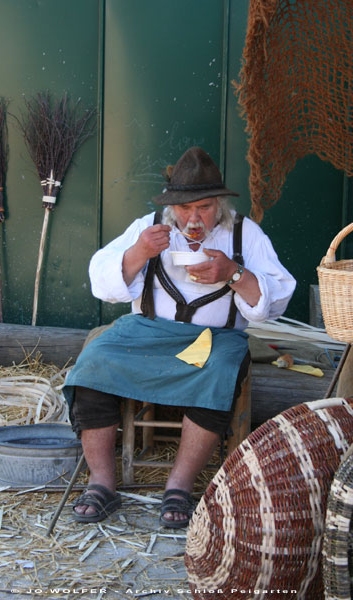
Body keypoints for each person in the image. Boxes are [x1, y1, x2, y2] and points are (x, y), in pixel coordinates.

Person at [64, 146, 296, 528]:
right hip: (148, 331)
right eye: (185, 209)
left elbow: (278, 296)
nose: (193, 218)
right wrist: (139, 252)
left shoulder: (244, 233)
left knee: (220, 371)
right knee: (93, 362)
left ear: (219, 205)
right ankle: (102, 483)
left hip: (216, 338)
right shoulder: (151, 226)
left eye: (203, 207)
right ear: (172, 206)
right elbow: (101, 280)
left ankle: (178, 487)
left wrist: (234, 273)